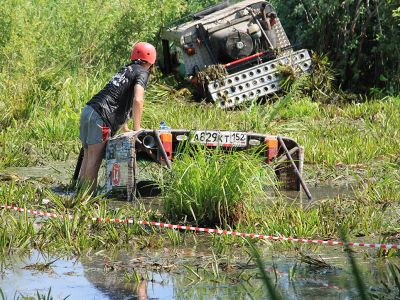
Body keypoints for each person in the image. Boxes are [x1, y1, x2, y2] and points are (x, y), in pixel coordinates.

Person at [78, 42, 156, 193]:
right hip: (101, 117)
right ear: (151, 61)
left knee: (87, 158)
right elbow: (138, 99)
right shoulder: (142, 72)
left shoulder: (126, 69)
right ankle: (87, 200)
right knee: (94, 161)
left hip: (88, 110)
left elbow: (120, 98)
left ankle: (78, 196)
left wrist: (125, 127)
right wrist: (137, 128)